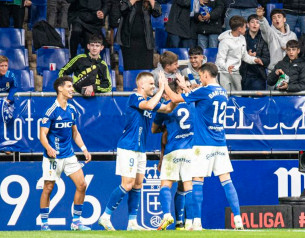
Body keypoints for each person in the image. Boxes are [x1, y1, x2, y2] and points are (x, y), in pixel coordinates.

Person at [163, 62, 244, 230]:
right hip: (220, 143)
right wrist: (186, 87)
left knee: (197, 181)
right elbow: (199, 96)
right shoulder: (223, 91)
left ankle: (197, 222)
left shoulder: (203, 90)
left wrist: (165, 85)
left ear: (206, 75)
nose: (200, 79)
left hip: (203, 144)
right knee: (227, 181)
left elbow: (175, 98)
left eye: (200, 76)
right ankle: (238, 219)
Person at [98, 71, 177, 231]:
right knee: (127, 184)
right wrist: (161, 89)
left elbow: (168, 108)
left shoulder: (150, 101)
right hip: (128, 147)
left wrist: (169, 91)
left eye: (155, 84)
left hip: (141, 149)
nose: (154, 87)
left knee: (138, 184)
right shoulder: (135, 97)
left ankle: (132, 223)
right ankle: (105, 217)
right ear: (141, 85)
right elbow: (148, 106)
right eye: (151, 84)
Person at [39, 76, 92, 231]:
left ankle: (76, 222)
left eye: (72, 86)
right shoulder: (51, 111)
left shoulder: (72, 109)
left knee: (82, 185)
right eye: (69, 86)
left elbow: (75, 132)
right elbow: (42, 134)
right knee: (48, 187)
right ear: (60, 88)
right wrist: (48, 147)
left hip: (69, 155)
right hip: (53, 157)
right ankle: (44, 224)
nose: (72, 89)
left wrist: (84, 149)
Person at [152, 79, 195, 231]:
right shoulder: (192, 102)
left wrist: (165, 127)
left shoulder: (165, 108)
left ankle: (166, 215)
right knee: (187, 187)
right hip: (190, 150)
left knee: (165, 185)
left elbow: (153, 129)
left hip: (173, 150)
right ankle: (188, 222)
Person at [216, 15, 263, 91]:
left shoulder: (242, 38)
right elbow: (220, 60)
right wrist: (226, 67)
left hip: (236, 72)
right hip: (224, 73)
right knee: (225, 96)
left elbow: (244, 56)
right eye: (245, 27)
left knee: (238, 97)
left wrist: (254, 60)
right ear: (239, 29)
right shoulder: (224, 41)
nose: (246, 29)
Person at [116, 0, 161, 70]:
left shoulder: (148, 2)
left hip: (146, 42)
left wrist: (151, 1)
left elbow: (157, 13)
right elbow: (122, 10)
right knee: (131, 67)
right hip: (129, 41)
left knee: (146, 68)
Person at [256, 7, 297, 72]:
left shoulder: (293, 35)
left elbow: (296, 53)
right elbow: (264, 28)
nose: (277, 19)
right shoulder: (270, 34)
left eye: (279, 17)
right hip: (274, 71)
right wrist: (261, 18)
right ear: (272, 21)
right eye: (274, 18)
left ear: (284, 19)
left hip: (291, 70)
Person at [240, 14, 270, 90]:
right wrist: (246, 56)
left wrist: (257, 59)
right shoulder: (241, 37)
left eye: (257, 22)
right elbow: (235, 56)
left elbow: (267, 59)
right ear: (247, 24)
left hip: (259, 75)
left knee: (259, 100)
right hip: (243, 74)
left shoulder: (264, 38)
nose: (255, 24)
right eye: (252, 22)